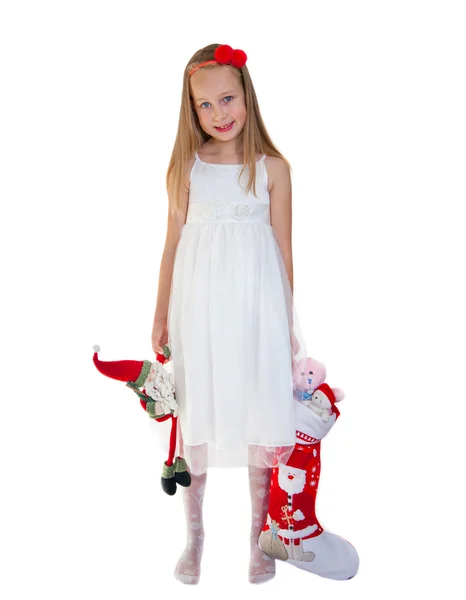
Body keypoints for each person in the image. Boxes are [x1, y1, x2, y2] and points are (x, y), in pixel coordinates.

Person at [151, 43, 308, 585]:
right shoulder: (186, 167)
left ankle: (258, 539)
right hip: (198, 309)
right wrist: (159, 315)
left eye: (227, 99)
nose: (219, 115)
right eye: (205, 106)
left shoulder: (274, 170)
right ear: (190, 111)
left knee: (259, 413)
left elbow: (284, 253)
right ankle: (194, 536)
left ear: (247, 96)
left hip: (256, 311)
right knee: (197, 414)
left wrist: (287, 325)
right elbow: (172, 246)